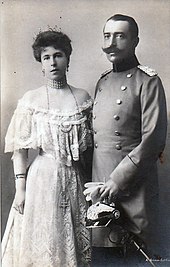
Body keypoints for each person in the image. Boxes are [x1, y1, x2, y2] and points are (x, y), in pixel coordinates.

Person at [2, 29, 93, 267]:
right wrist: (20, 189)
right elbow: (19, 149)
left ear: (68, 59)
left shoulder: (83, 99)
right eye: (46, 57)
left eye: (58, 55)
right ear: (41, 64)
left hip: (75, 179)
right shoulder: (32, 100)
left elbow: (90, 150)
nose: (53, 62)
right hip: (41, 180)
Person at [89, 14, 167, 264]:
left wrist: (117, 181)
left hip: (134, 188)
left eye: (120, 36)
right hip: (101, 187)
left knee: (134, 257)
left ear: (135, 41)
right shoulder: (102, 82)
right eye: (107, 36)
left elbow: (153, 139)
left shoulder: (148, 81)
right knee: (104, 257)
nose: (111, 43)